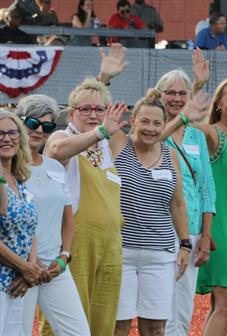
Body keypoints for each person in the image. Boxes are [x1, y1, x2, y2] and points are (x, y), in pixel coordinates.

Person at [165, 77, 227, 335]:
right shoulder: (210, 133)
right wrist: (197, 86)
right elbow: (184, 121)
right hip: (218, 228)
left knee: (222, 304)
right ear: (219, 104)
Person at [43, 44, 129, 335]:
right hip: (76, 243)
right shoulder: (63, 136)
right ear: (70, 114)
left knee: (102, 322)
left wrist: (103, 81)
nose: (93, 115)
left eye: (99, 111)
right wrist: (102, 128)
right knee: (67, 322)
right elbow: (56, 150)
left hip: (111, 245)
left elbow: (147, 138)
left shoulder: (105, 144)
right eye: (85, 110)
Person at [113, 90, 192, 336]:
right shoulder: (118, 143)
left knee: (156, 328)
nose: (150, 128)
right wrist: (104, 77)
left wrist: (186, 245)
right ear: (133, 120)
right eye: (144, 121)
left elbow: (178, 204)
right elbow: (94, 113)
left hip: (160, 254)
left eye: (157, 123)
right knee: (118, 326)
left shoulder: (169, 155)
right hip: (120, 251)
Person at [15, 95, 90, 336]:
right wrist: (27, 264)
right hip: (19, 268)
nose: (39, 130)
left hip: (55, 269)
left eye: (47, 126)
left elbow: (67, 218)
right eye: (32, 123)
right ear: (19, 123)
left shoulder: (55, 167)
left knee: (78, 332)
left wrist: (64, 257)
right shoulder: (6, 166)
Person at [158, 54, 215, 335]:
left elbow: (207, 188)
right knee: (156, 305)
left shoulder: (197, 137)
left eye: (183, 93)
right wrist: (182, 117)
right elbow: (147, 146)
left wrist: (205, 235)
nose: (177, 98)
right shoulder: (149, 128)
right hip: (156, 231)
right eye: (171, 92)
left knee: (183, 306)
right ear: (160, 96)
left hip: (190, 231)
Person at [0, 110, 42, 335]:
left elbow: (29, 229)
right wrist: (25, 267)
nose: (6, 138)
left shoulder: (18, 180)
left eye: (12, 132)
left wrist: (30, 270)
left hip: (16, 284)